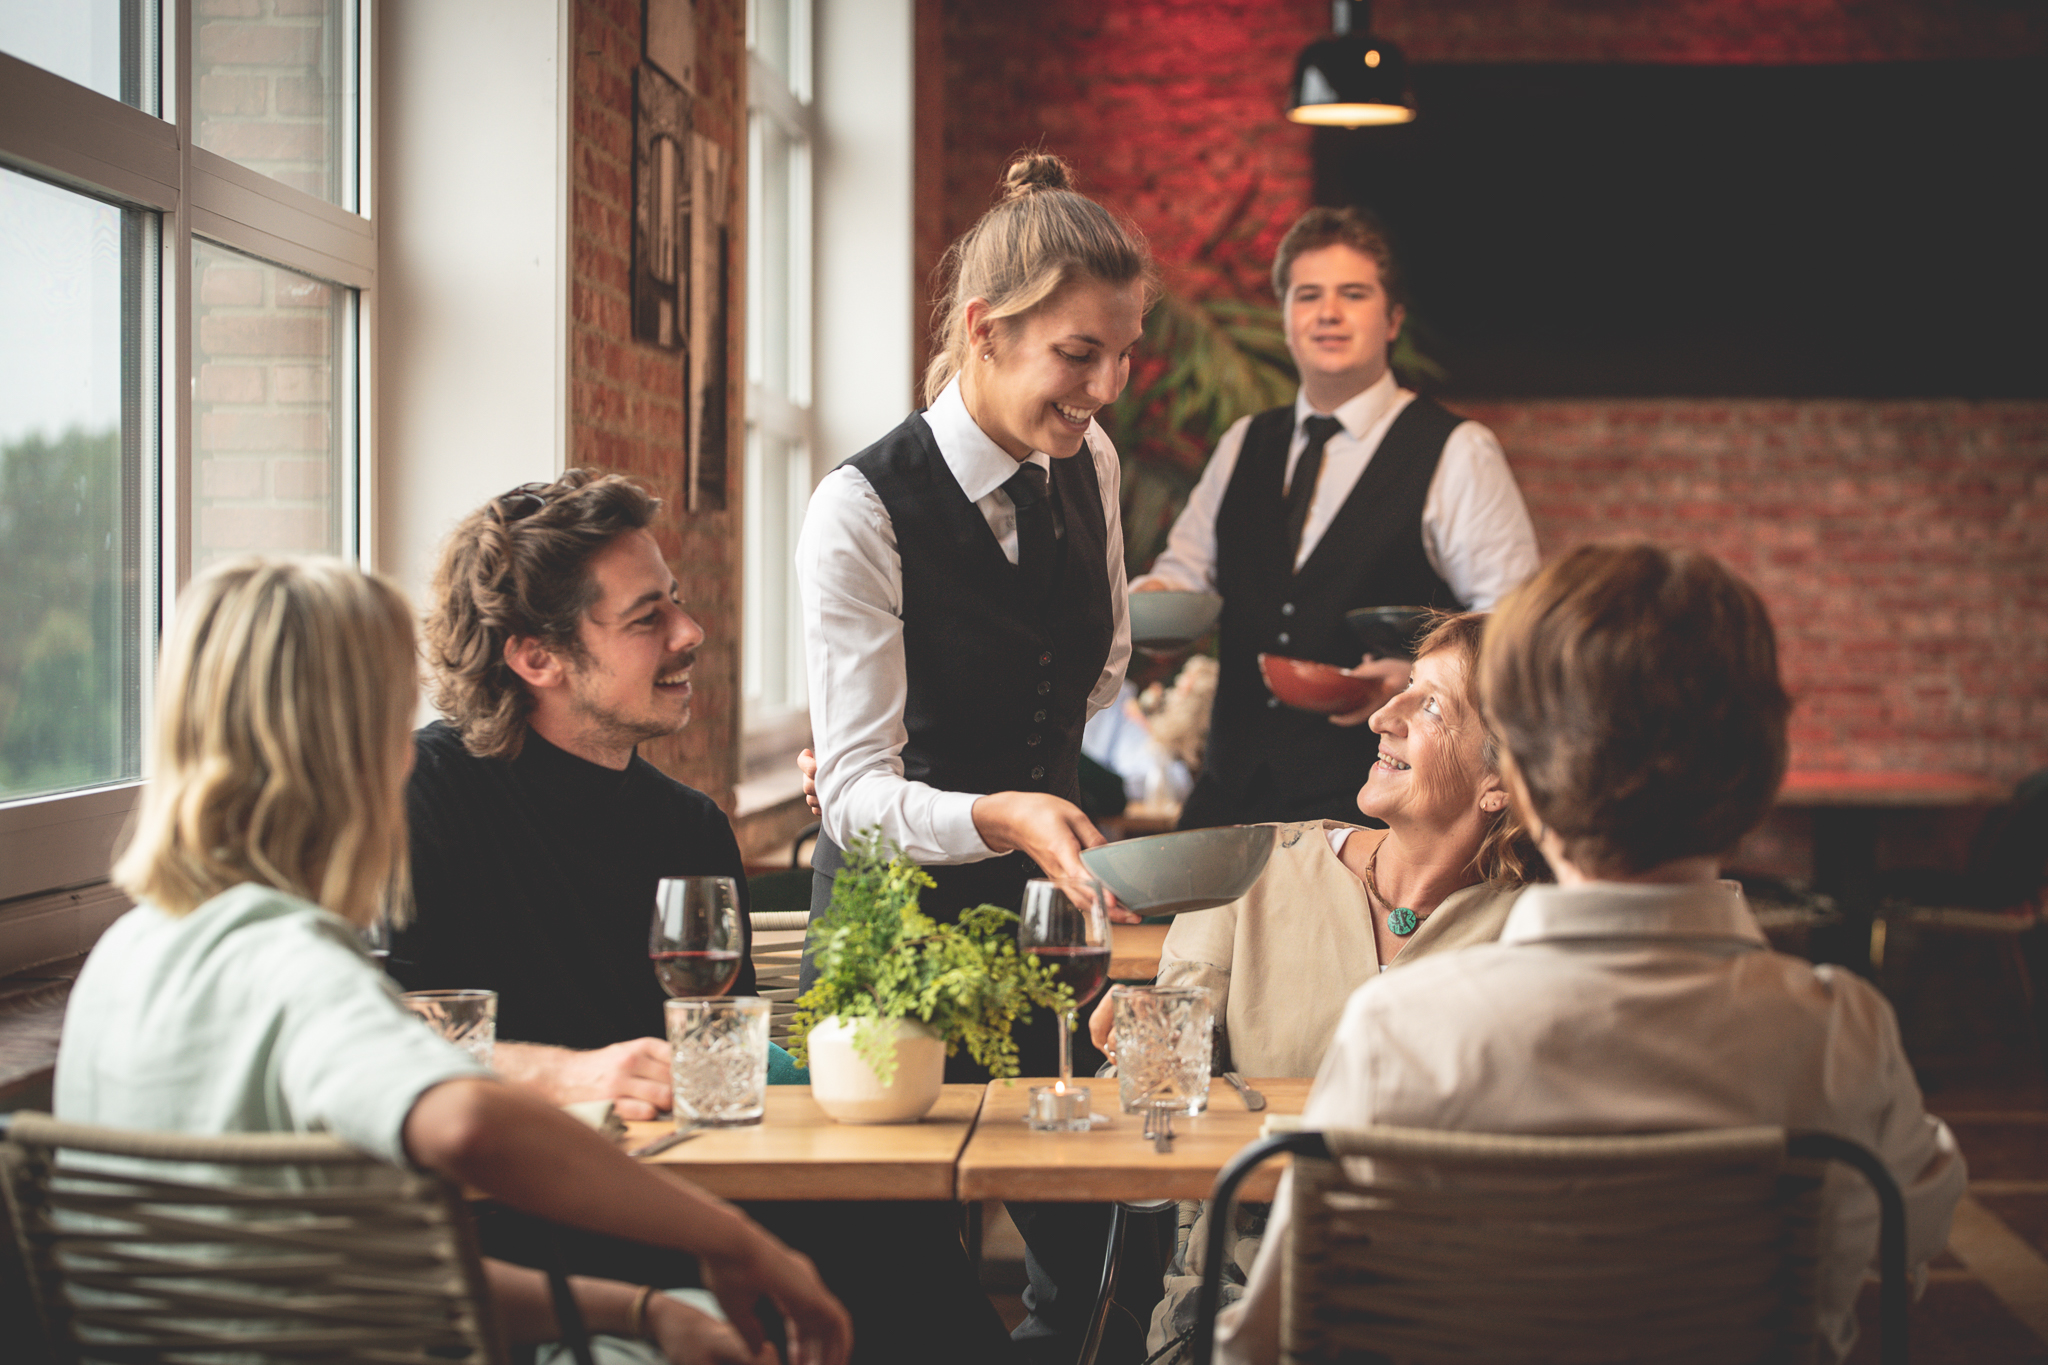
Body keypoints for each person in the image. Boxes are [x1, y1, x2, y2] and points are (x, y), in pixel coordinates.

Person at [54, 556, 851, 1365]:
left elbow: (376, 1271)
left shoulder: (126, 955)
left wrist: (643, 1310)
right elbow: (467, 1121)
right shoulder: (291, 966)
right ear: (352, 747)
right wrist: (728, 1235)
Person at [1216, 543, 1968, 1365]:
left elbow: (1274, 1342)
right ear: (1761, 773)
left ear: (1523, 783)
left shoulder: (1400, 1033)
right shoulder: (1839, 1040)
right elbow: (1908, 1239)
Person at [399, 475, 1017, 1364]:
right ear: (536, 656)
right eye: (647, 616)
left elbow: (727, 1047)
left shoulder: (686, 826)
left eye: (677, 601)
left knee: (893, 1230)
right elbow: (388, 1031)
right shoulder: (424, 796)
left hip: (693, 1193)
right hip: (520, 1221)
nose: (690, 633)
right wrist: (574, 1073)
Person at [794, 150, 1152, 1364]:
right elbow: (850, 799)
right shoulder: (856, 511)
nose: (1103, 387)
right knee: (901, 1301)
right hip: (892, 936)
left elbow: (1095, 665)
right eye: (1076, 354)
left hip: (1046, 925)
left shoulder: (1090, 463)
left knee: (1096, 1266)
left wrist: (1014, 773)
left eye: (1120, 354)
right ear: (983, 330)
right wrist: (996, 809)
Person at [1085, 613, 1538, 1363]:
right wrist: (1135, 1053)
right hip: (1240, 1312)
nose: (1382, 715)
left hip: (1452, 1317)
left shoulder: (1533, 926)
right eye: (1404, 689)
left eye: (1429, 705)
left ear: (1501, 780)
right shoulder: (1251, 869)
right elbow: (1154, 1098)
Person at [1134, 206, 1538, 830]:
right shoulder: (1246, 442)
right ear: (1287, 318)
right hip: (1230, 795)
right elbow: (1184, 570)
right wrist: (1149, 598)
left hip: (1383, 808)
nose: (1329, 313)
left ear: (1393, 319)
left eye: (1354, 294)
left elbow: (1512, 626)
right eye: (1308, 295)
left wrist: (1411, 677)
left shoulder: (1457, 451)